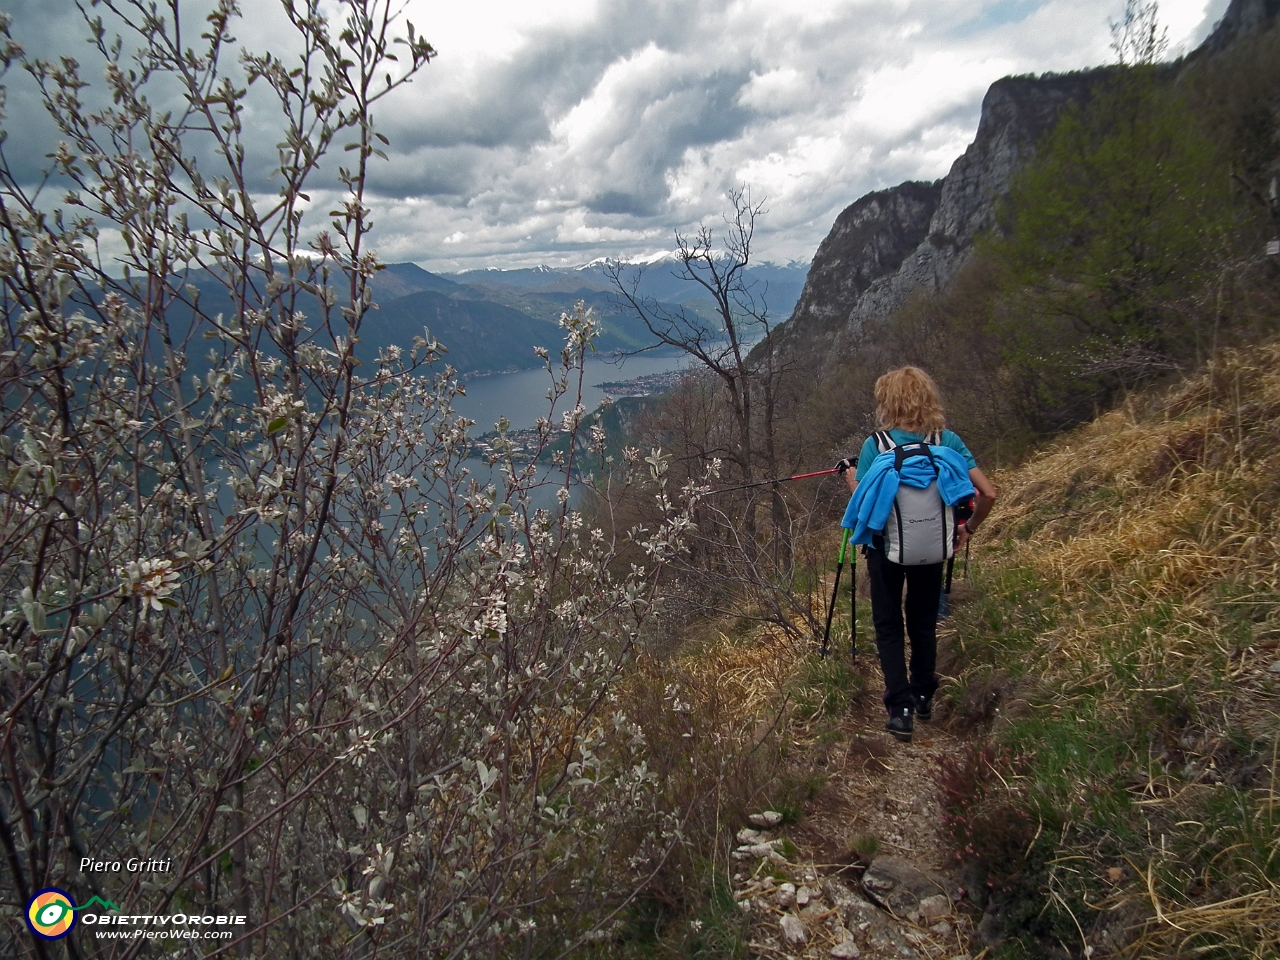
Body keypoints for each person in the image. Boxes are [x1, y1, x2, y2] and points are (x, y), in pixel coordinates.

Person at [834, 367, 997, 743]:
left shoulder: (877, 445)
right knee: (923, 622)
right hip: (933, 547)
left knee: (889, 626)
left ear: (886, 403)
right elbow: (988, 493)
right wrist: (967, 530)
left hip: (884, 550)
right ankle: (924, 694)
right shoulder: (948, 441)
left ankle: (900, 709)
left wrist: (850, 477)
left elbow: (864, 499)